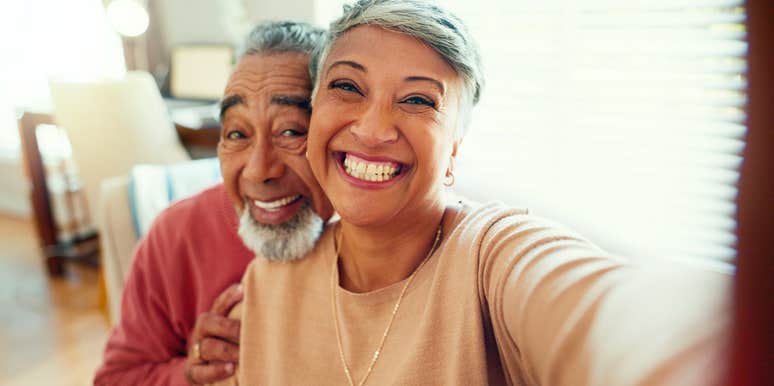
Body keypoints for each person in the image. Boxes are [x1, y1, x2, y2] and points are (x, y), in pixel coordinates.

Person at [218, 1, 733, 385]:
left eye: (418, 100)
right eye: (348, 87)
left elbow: (611, 312)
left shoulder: (493, 255)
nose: (374, 129)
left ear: (455, 152)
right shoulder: (269, 281)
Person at [94, 21, 334, 386]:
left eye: (291, 131)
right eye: (237, 133)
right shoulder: (176, 235)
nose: (258, 171)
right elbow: (117, 378)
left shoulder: (376, 235)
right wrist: (192, 374)